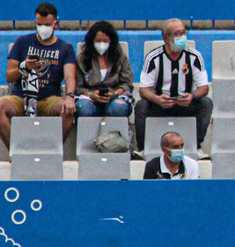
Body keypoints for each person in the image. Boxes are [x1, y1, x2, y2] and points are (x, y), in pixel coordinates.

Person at [0, 1, 77, 147]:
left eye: (47, 25)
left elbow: (70, 75)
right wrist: (24, 67)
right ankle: (16, 149)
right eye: (40, 24)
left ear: (55, 24)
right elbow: (9, 76)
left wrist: (70, 96)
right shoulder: (23, 42)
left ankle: (53, 150)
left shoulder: (65, 48)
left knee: (67, 110)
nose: (43, 28)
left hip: (49, 98)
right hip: (21, 96)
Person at [137, 18, 213, 155]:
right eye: (177, 34)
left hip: (185, 104)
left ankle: (196, 147)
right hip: (160, 104)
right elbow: (143, 90)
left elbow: (204, 88)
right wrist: (157, 99)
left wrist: (192, 96)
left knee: (206, 103)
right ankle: (143, 149)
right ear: (166, 38)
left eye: (183, 33)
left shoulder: (194, 56)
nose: (182, 37)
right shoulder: (153, 58)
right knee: (141, 106)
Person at [73, 20, 134, 119]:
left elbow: (127, 84)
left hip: (115, 97)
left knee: (118, 107)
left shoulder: (120, 58)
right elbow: (78, 87)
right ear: (91, 41)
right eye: (98, 41)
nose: (101, 44)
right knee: (82, 107)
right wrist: (90, 94)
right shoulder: (81, 59)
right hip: (89, 98)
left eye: (105, 41)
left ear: (111, 41)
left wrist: (114, 94)